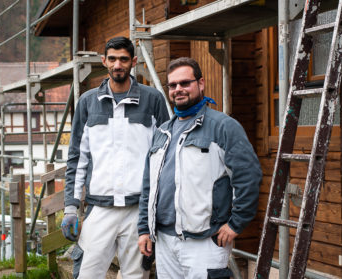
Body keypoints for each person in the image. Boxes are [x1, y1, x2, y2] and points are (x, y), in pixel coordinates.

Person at [138, 57, 262, 278]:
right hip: (165, 240)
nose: (179, 89)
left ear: (201, 83)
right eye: (173, 85)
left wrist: (236, 224)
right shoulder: (162, 132)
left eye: (185, 83)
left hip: (204, 241)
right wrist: (144, 230)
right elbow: (149, 186)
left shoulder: (223, 127)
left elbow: (248, 177)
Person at [61, 36, 170, 279]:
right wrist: (71, 207)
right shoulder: (88, 102)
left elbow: (165, 156)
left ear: (133, 61)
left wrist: (159, 207)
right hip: (100, 209)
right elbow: (77, 159)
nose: (117, 65)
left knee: (135, 275)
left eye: (123, 59)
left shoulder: (152, 100)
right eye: (112, 59)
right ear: (104, 61)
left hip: (138, 210)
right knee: (87, 274)